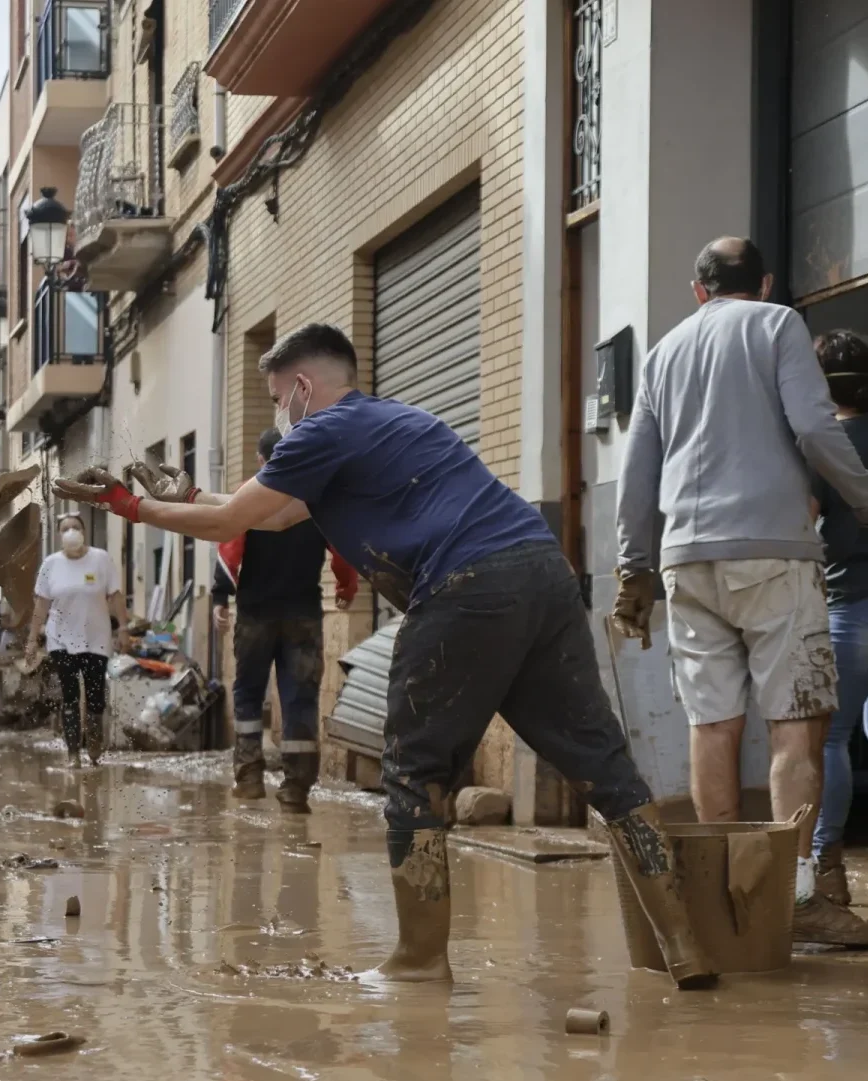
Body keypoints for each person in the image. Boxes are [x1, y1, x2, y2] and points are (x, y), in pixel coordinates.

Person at [53, 322, 716, 990]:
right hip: (542, 572)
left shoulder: (319, 430)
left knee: (413, 770)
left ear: (305, 388)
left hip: (466, 586)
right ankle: (685, 945)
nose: (281, 416)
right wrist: (188, 497)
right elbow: (272, 514)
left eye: (281, 399)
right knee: (604, 766)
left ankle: (421, 961)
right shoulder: (389, 422)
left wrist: (130, 506)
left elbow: (234, 524)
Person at [613, 237, 868, 947]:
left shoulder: (664, 351)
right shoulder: (776, 325)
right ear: (764, 282)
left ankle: (720, 901)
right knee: (798, 723)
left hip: (686, 561)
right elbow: (815, 426)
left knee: (713, 726)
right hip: (772, 552)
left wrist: (633, 567)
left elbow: (637, 469)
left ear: (698, 287)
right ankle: (796, 897)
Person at [211, 427, 359, 812]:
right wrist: (346, 587)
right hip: (303, 615)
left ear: (262, 461)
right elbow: (344, 547)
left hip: (256, 613)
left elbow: (228, 542)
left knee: (247, 693)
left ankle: (248, 779)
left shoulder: (251, 495)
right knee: (300, 697)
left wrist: (220, 596)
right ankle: (295, 789)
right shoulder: (315, 498)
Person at [807, 330, 868, 904]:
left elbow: (803, 518)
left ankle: (823, 865)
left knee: (828, 734)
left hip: (857, 600)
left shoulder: (822, 446)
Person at [27, 514, 131, 768]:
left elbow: (115, 595)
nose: (71, 531)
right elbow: (41, 604)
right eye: (65, 529)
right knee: (70, 694)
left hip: (96, 638)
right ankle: (73, 752)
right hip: (60, 638)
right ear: (60, 536)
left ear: (84, 532)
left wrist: (124, 628)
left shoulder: (101, 559)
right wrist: (32, 639)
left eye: (76, 527)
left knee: (95, 696)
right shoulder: (51, 565)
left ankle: (94, 743)